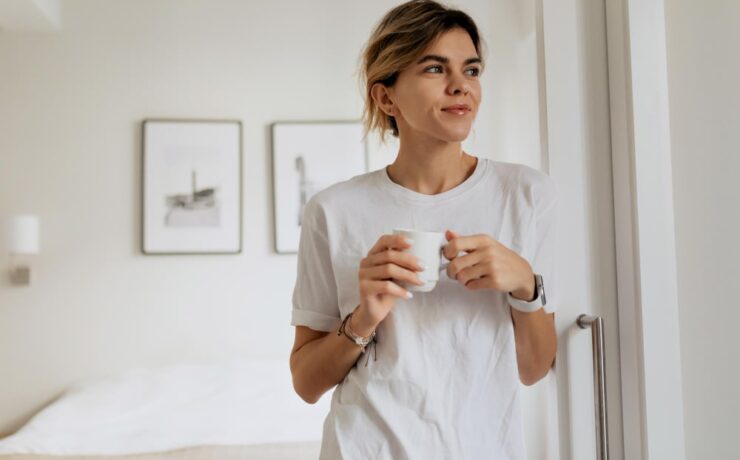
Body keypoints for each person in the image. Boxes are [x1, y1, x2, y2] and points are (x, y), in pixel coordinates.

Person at [289, 1, 558, 458]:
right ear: (386, 97)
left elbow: (533, 368)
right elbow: (306, 383)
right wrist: (364, 317)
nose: (461, 87)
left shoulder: (526, 193)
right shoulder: (332, 210)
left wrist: (524, 284)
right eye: (435, 68)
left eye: (471, 70)